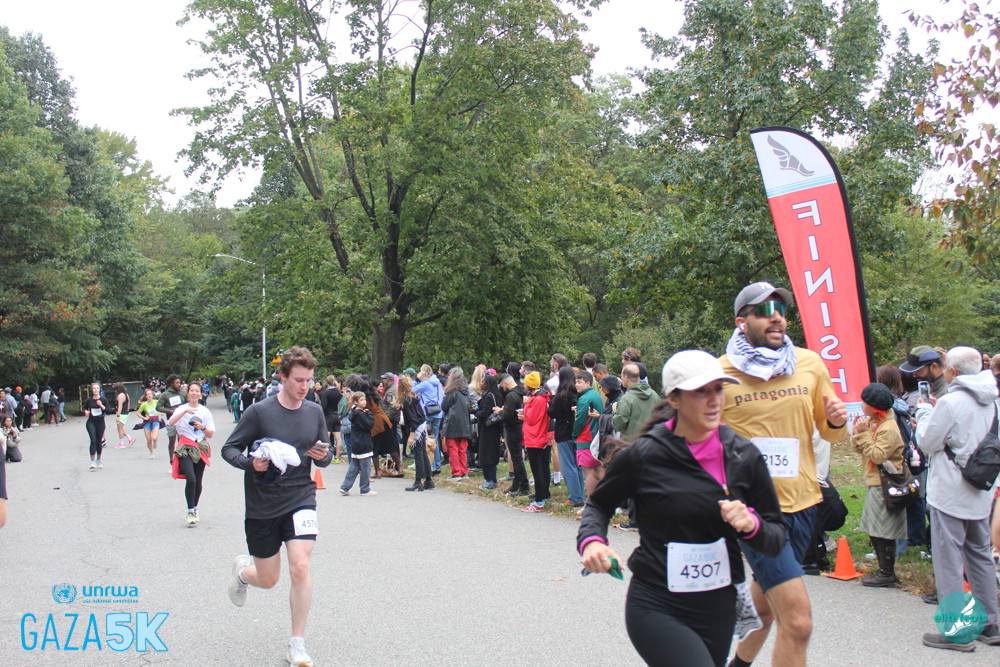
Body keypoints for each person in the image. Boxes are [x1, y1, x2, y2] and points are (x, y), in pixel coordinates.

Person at [579, 350, 785, 667]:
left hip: (718, 604)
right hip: (657, 603)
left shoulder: (743, 455)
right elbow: (599, 504)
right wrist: (593, 541)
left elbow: (775, 538)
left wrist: (751, 525)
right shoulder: (645, 455)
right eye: (701, 391)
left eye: (718, 389)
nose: (714, 400)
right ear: (674, 399)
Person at [719, 282, 847, 667]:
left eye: (781, 309)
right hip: (754, 512)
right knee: (798, 623)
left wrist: (836, 421)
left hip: (804, 503)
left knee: (764, 608)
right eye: (764, 310)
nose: (776, 317)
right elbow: (698, 442)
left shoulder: (809, 364)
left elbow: (829, 432)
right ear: (742, 322)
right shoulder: (720, 374)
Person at [222, 346, 334, 667]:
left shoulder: (314, 411)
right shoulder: (259, 412)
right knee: (269, 579)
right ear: (282, 377)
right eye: (298, 380)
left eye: (309, 380)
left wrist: (323, 456)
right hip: (263, 503)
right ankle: (243, 573)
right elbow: (229, 449)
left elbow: (326, 454)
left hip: (301, 497)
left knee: (300, 566)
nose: (305, 387)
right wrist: (250, 463)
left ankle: (297, 644)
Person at [916, 346, 1000, 650]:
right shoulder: (994, 400)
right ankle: (990, 623)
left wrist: (925, 413)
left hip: (950, 490)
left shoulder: (950, 402)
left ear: (951, 371)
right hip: (981, 489)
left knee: (948, 559)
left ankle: (956, 630)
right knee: (979, 555)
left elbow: (928, 442)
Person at [850, 382, 907, 587]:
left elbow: (878, 455)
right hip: (875, 481)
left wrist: (863, 435)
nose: (862, 405)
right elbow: (861, 449)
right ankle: (884, 570)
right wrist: (858, 433)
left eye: (865, 402)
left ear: (875, 407)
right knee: (874, 528)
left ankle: (887, 572)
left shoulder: (888, 428)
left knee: (883, 530)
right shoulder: (874, 422)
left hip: (885, 483)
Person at [168, 383, 216, 525]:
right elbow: (171, 422)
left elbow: (210, 434)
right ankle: (190, 510)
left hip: (200, 446)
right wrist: (184, 412)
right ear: (187, 393)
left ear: (201, 394)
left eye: (197, 391)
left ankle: (195, 508)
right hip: (185, 447)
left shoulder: (205, 411)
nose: (194, 393)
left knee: (198, 480)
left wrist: (202, 427)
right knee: (191, 479)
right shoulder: (181, 409)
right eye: (192, 391)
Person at [549, 365, 584, 507]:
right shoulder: (577, 393)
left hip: (563, 432)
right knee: (577, 466)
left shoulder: (561, 395)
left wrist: (552, 398)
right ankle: (579, 494)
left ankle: (575, 498)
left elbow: (551, 412)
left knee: (568, 466)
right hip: (576, 431)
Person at [522, 371, 552, 512]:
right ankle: (542, 496)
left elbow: (530, 418)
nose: (523, 385)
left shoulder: (538, 400)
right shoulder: (539, 398)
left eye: (525, 383)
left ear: (530, 385)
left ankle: (539, 501)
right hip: (537, 436)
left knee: (537, 470)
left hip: (535, 437)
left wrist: (526, 405)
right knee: (540, 468)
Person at [396, 376, 433, 491]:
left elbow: (413, 419)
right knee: (423, 454)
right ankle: (428, 479)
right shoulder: (414, 397)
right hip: (422, 425)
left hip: (416, 428)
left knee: (418, 456)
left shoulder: (407, 400)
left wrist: (411, 436)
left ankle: (418, 481)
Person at [573, 370, 605, 496]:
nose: (576, 385)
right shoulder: (596, 395)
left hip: (586, 438)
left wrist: (574, 434)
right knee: (599, 469)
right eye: (576, 382)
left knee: (589, 471)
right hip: (597, 436)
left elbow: (580, 421)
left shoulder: (584, 398)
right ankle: (605, 499)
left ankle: (591, 501)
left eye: (579, 382)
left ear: (588, 383)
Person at [340, 391, 377, 496]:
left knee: (354, 467)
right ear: (356, 402)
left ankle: (345, 487)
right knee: (365, 468)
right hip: (363, 443)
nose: (364, 402)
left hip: (356, 443)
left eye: (364, 399)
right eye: (361, 400)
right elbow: (369, 425)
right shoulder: (361, 414)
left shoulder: (353, 413)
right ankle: (365, 488)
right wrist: (369, 414)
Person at [500, 373, 530, 496]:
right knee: (517, 457)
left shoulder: (511, 396)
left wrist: (500, 411)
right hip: (520, 426)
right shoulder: (522, 392)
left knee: (517, 458)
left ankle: (523, 485)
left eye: (503, 386)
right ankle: (516, 483)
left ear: (506, 383)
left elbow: (507, 415)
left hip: (513, 428)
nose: (503, 389)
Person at [441, 367, 473, 481]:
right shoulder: (466, 391)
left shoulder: (451, 392)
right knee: (462, 448)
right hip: (465, 423)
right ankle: (464, 471)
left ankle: (456, 472)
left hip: (452, 423)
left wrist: (444, 398)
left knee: (452, 448)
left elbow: (444, 407)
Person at [613, 363, 659, 439]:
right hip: (650, 442)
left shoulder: (626, 399)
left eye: (621, 376)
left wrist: (614, 410)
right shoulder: (655, 395)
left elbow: (618, 425)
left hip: (631, 443)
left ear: (626, 378)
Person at [476, 372, 505, 490]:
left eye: (483, 382)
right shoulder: (495, 395)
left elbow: (484, 413)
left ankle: (490, 479)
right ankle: (489, 479)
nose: (481, 384)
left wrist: (475, 412)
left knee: (487, 454)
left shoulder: (489, 396)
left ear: (487, 384)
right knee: (489, 453)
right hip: (492, 429)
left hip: (488, 429)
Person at [414, 364, 444, 473]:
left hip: (427, 412)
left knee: (427, 439)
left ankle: (430, 464)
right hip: (438, 412)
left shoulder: (425, 384)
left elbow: (412, 390)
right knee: (435, 439)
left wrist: (416, 379)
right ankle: (437, 464)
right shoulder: (437, 383)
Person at [156, 374, 184, 460]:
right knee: (172, 441)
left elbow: (188, 403)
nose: (179, 384)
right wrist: (169, 411)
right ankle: (171, 460)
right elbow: (158, 407)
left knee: (181, 440)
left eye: (179, 383)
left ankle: (180, 460)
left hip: (182, 420)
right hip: (171, 420)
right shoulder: (165, 394)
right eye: (177, 383)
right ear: (172, 383)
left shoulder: (183, 393)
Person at [81, 382, 108, 470]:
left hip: (100, 423)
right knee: (93, 441)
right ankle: (92, 461)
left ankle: (98, 460)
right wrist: (85, 411)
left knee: (98, 442)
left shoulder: (103, 400)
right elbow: (84, 408)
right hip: (91, 422)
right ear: (92, 390)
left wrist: (101, 405)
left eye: (97, 388)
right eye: (94, 388)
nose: (96, 390)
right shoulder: (89, 400)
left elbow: (108, 411)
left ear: (99, 390)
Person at [320, 376, 343, 462]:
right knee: (338, 437)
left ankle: (327, 455)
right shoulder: (338, 392)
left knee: (327, 436)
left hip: (328, 415)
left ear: (326, 383)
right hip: (337, 415)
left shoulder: (326, 393)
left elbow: (324, 406)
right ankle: (337, 457)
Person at [137, 388, 162, 459]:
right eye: (148, 394)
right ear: (146, 396)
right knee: (148, 440)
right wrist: (143, 417)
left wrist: (161, 412)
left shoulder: (156, 402)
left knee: (154, 437)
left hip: (155, 421)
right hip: (147, 422)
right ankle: (151, 452)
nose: (149, 395)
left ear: (152, 395)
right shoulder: (144, 404)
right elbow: (138, 413)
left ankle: (155, 442)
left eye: (150, 394)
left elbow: (161, 407)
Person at [113, 383, 135, 449]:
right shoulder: (126, 394)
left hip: (122, 413)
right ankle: (130, 438)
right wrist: (127, 411)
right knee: (120, 428)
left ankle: (122, 443)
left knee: (120, 429)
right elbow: (128, 403)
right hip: (125, 413)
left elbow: (120, 406)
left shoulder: (120, 396)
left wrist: (118, 415)